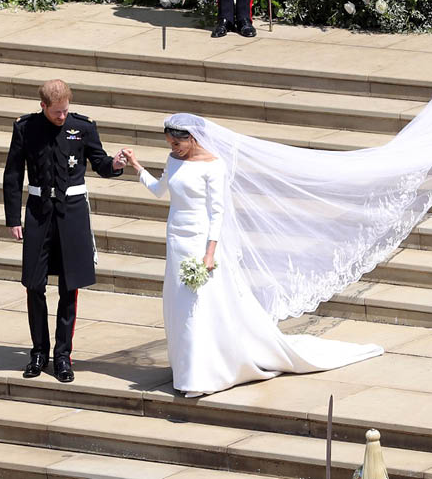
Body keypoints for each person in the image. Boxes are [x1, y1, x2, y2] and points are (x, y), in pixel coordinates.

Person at [123, 108, 432, 396]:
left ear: (193, 139)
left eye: (178, 142)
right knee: (179, 302)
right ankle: (187, 365)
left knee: (201, 303)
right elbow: (160, 190)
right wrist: (136, 167)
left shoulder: (214, 166)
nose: (174, 147)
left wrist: (209, 253)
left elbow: (217, 212)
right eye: (170, 142)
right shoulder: (174, 160)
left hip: (202, 241)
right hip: (176, 238)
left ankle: (204, 372)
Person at [3, 79, 125, 382]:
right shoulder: (25, 127)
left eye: (64, 111)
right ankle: (39, 352)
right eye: (56, 112)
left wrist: (117, 164)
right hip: (38, 212)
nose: (61, 117)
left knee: (69, 286)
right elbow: (13, 173)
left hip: (71, 214)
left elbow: (99, 162)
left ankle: (62, 356)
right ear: (43, 106)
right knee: (34, 284)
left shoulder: (82, 127)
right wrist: (13, 219)